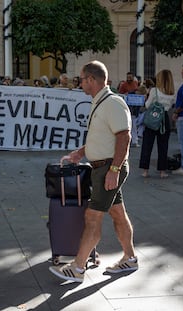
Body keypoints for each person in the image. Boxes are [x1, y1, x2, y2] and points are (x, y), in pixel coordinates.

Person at [49, 60, 138, 283]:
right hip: (103, 167)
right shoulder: (100, 102)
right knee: (118, 214)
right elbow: (103, 137)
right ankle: (130, 258)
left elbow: (124, 137)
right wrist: (81, 152)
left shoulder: (112, 103)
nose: (80, 83)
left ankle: (78, 268)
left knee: (92, 217)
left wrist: (114, 170)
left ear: (91, 80)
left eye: (82, 79)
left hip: (108, 168)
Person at [139, 70, 176, 178]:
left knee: (147, 144)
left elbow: (147, 105)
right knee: (163, 146)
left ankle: (145, 170)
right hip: (164, 119)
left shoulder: (154, 90)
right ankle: (162, 171)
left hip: (153, 117)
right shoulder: (172, 93)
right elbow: (170, 106)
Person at [119, 72, 140, 147]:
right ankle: (129, 140)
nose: (129, 79)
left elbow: (138, 92)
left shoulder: (135, 83)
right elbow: (120, 94)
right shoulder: (124, 85)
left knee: (134, 124)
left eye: (130, 77)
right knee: (128, 125)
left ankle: (134, 140)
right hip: (127, 107)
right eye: (128, 77)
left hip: (134, 107)